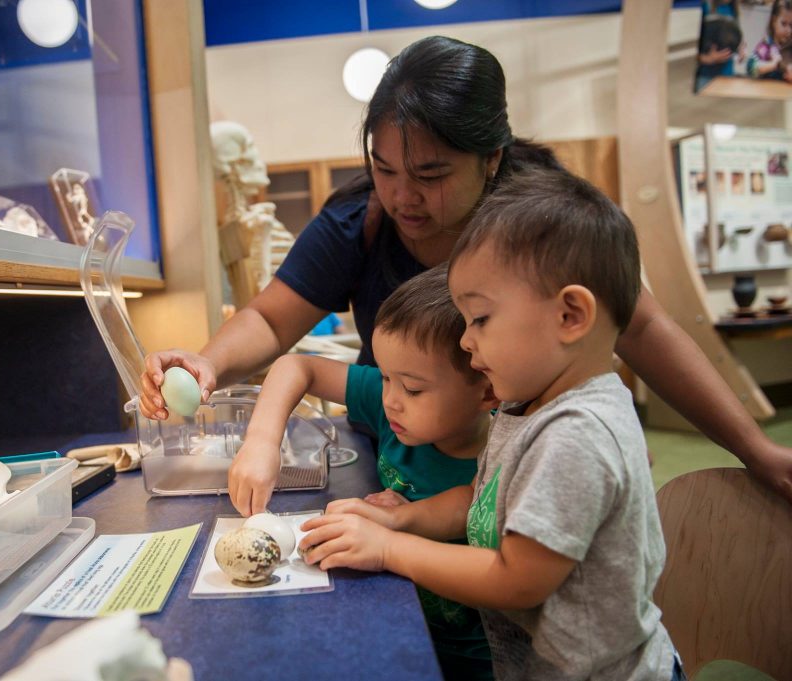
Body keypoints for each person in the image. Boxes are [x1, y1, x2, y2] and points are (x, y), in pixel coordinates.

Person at [138, 35, 792, 505]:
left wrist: (755, 449)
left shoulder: (542, 217)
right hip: (403, 454)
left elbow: (643, 328)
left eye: (430, 175)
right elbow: (269, 317)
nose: (401, 197)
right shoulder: (359, 221)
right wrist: (207, 363)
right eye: (384, 169)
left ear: (491, 159)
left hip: (518, 462)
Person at [300, 169, 683, 681]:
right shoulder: (526, 403)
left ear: (570, 315)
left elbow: (516, 580)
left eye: (479, 319)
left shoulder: (575, 434)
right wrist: (399, 519)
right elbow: (483, 499)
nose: (465, 341)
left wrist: (391, 549)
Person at [230, 265, 499, 679]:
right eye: (385, 376)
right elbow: (296, 366)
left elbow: (471, 501)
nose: (389, 399)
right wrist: (263, 439)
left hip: (482, 659)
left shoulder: (507, 451)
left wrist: (402, 518)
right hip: (404, 623)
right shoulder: (395, 402)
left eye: (411, 388)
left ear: (487, 389)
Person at [746, 0, 792, 80]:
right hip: (766, 91)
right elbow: (750, 68)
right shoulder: (766, 46)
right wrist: (773, 64)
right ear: (774, 21)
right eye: (784, 24)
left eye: (791, 25)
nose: (788, 30)